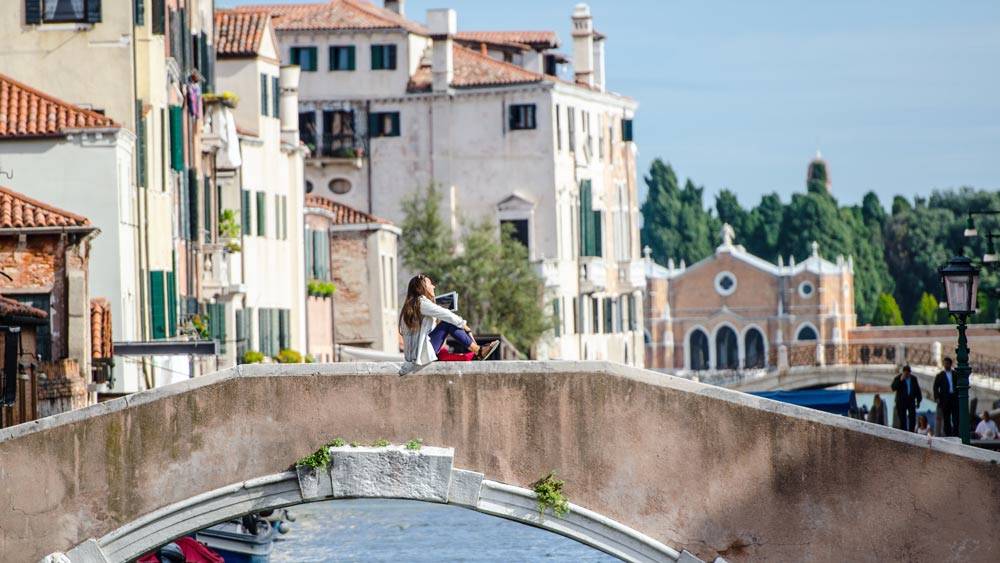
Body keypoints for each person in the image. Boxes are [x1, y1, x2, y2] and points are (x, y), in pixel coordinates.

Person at [398, 274, 499, 374]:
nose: (433, 286)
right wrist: (464, 325)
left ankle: (474, 355)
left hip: (415, 355)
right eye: (430, 284)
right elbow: (447, 315)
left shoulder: (412, 305)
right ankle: (478, 351)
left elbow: (425, 331)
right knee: (448, 322)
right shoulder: (421, 303)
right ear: (421, 288)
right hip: (420, 355)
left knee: (445, 350)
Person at [933, 357, 959, 436]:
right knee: (946, 418)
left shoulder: (955, 374)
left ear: (950, 364)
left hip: (954, 398)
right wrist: (937, 397)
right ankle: (948, 434)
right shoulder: (940, 375)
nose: (945, 365)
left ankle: (956, 433)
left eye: (947, 364)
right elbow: (935, 387)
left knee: (955, 417)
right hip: (945, 400)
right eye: (944, 363)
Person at [890, 365, 922, 432]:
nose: (907, 375)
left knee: (912, 419)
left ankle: (911, 432)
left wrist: (918, 401)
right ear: (903, 372)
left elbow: (917, 390)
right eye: (905, 373)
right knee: (902, 419)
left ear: (910, 372)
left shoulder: (913, 379)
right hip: (901, 402)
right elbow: (893, 388)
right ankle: (903, 432)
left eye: (908, 373)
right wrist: (900, 380)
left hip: (911, 401)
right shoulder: (898, 378)